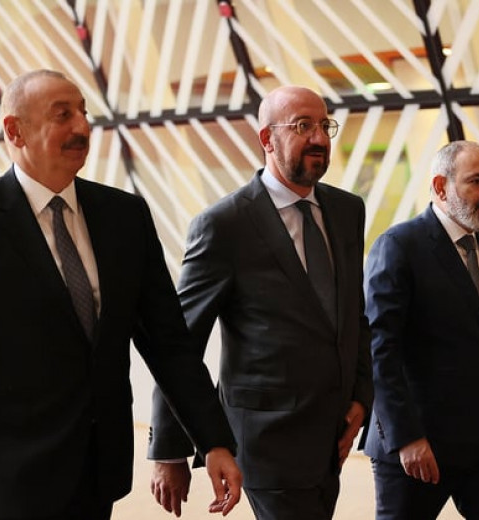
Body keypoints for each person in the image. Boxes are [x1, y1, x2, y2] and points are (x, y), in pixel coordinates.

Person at [0, 69, 242, 520]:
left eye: (83, 112)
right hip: (16, 473)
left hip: (100, 465)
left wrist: (213, 440)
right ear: (15, 131)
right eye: (62, 115)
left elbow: (169, 344)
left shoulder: (124, 216)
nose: (82, 126)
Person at [148, 85, 373, 520]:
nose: (319, 138)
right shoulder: (224, 224)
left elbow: (354, 315)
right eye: (302, 126)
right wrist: (169, 450)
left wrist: (362, 397)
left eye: (324, 125)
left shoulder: (348, 211)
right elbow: (179, 341)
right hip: (266, 440)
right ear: (267, 139)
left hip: (333, 436)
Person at [363, 141, 479, 520]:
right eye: (477, 181)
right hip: (419, 445)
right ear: (440, 186)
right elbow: (378, 350)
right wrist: (406, 437)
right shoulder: (399, 246)